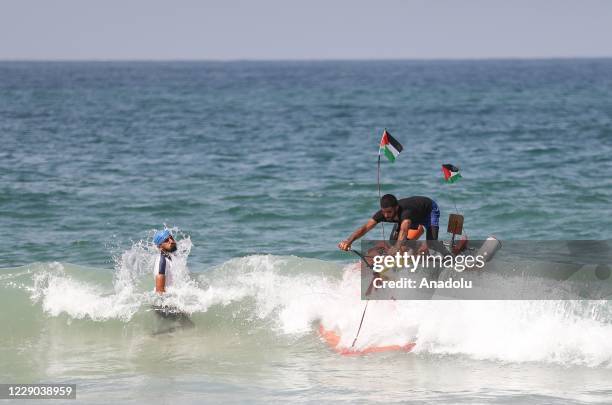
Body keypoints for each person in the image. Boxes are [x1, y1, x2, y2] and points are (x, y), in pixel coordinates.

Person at [338, 194, 450, 255]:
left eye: (389, 212)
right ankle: (417, 250)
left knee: (432, 244)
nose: (386, 216)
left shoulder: (405, 214)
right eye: (384, 212)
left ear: (396, 208)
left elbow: (404, 230)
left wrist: (396, 248)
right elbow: (365, 228)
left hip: (428, 210)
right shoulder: (383, 214)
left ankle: (449, 257)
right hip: (414, 215)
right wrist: (349, 241)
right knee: (393, 240)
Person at [153, 229, 177, 294]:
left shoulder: (169, 258)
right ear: (160, 246)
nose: (171, 241)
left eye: (171, 238)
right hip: (164, 303)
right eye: (166, 240)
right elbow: (160, 292)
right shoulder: (162, 261)